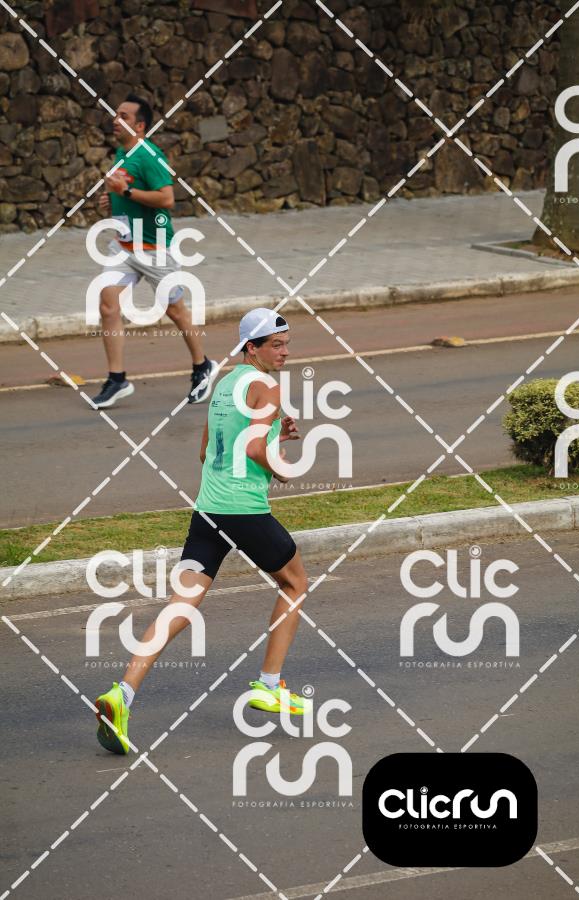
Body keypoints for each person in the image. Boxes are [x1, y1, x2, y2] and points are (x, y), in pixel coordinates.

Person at [95, 308, 310, 755]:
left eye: (287, 343)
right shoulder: (267, 386)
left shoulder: (225, 384)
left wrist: (276, 435)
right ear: (252, 347)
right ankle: (269, 684)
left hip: (208, 510)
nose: (285, 352)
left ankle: (122, 694)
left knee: (181, 604)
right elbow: (254, 448)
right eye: (276, 344)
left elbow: (206, 451)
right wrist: (284, 468)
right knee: (295, 583)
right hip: (244, 511)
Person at [92, 93, 217, 408]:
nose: (115, 119)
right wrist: (111, 201)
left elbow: (166, 199)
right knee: (108, 305)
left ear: (140, 126)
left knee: (175, 311)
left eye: (123, 116)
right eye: (115, 114)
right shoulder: (122, 153)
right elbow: (125, 194)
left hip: (154, 248)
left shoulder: (149, 155)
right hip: (124, 246)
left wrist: (126, 192)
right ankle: (117, 379)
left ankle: (202, 366)